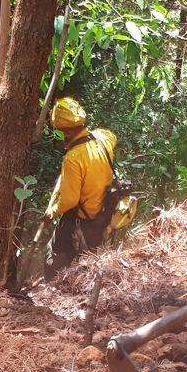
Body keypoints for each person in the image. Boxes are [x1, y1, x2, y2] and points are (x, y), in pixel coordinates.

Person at [43, 97, 118, 277]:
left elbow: (69, 201)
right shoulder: (102, 138)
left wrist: (51, 211)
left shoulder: (73, 158)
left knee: (52, 254)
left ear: (65, 131)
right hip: (105, 212)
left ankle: (52, 287)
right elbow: (113, 137)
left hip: (84, 218)